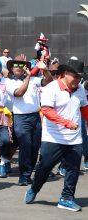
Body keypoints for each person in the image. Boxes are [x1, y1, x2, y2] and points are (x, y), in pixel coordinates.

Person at [25, 60, 87, 212]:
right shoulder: (51, 88)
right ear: (65, 74)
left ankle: (66, 198)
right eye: (76, 77)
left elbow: (85, 108)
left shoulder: (79, 89)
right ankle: (34, 188)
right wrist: (66, 123)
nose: (78, 80)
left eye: (80, 77)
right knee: (44, 168)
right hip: (53, 138)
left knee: (73, 169)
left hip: (74, 139)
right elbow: (47, 111)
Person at [5, 54, 52, 186]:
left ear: (26, 67)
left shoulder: (34, 80)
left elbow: (49, 81)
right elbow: (19, 93)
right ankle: (24, 176)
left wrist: (45, 69)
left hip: (35, 117)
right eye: (16, 65)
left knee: (34, 148)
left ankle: (28, 174)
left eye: (21, 65)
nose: (19, 67)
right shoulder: (9, 82)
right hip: (21, 118)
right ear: (12, 69)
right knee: (25, 146)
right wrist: (28, 77)